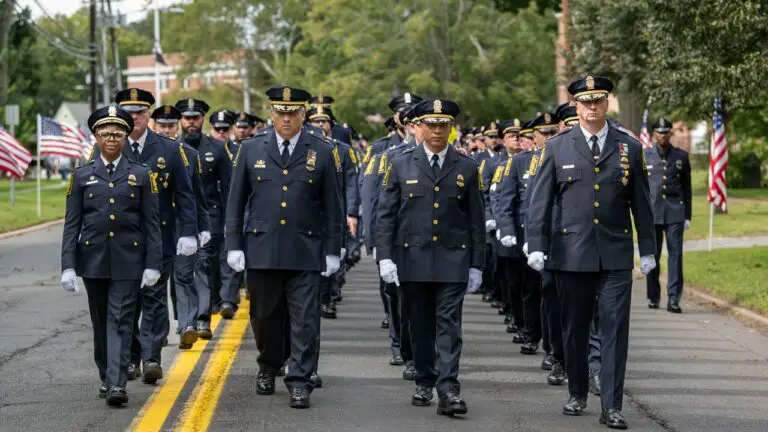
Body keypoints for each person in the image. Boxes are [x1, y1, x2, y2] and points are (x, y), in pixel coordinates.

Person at [526, 75, 656, 429]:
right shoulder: (557, 147)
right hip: (571, 253)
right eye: (585, 102)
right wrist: (536, 245)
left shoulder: (629, 147)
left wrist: (648, 249)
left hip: (614, 253)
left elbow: (641, 204)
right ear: (576, 106)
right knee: (575, 328)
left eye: (598, 100)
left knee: (614, 329)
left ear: (607, 102)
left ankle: (612, 405)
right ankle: (577, 391)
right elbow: (540, 202)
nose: (592, 107)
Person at [225, 86, 343, 409]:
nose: (287, 118)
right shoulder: (250, 150)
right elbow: (235, 203)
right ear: (272, 114)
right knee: (264, 316)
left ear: (303, 115)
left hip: (305, 249)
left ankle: (300, 379)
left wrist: (334, 248)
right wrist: (233, 245)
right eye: (281, 112)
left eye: (293, 113)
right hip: (262, 248)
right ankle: (268, 363)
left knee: (304, 318)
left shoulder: (321, 149)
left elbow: (333, 204)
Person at [376, 98, 485, 417]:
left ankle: (449, 388)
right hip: (412, 259)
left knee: (449, 326)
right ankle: (424, 379)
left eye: (443, 125)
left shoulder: (466, 166)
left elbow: (476, 220)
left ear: (451, 128)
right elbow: (386, 215)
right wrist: (385, 256)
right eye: (431, 124)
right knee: (419, 326)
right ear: (418, 127)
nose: (437, 131)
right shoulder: (399, 164)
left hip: (453, 260)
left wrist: (477, 264)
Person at [60, 105, 162, 406]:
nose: (111, 139)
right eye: (105, 134)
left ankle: (117, 384)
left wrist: (153, 264)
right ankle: (106, 374)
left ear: (126, 137)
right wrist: (68, 265)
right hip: (92, 260)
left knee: (120, 320)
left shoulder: (141, 175)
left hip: (129, 261)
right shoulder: (81, 176)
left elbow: (151, 224)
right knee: (101, 321)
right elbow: (72, 224)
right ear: (95, 137)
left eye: (117, 134)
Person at [103, 88, 198, 384]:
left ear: (148, 116)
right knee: (126, 300)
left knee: (155, 298)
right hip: (121, 240)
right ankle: (131, 358)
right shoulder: (109, 146)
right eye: (129, 113)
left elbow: (185, 195)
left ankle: (152, 356)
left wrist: (190, 233)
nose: (135, 117)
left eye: (141, 112)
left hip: (160, 236)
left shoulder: (169, 149)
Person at [176, 100, 233, 327]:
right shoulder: (171, 147)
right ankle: (183, 320)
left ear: (202, 119)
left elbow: (229, 188)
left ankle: (201, 318)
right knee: (180, 272)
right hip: (179, 218)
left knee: (204, 265)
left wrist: (232, 221)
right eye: (187, 118)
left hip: (210, 217)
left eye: (196, 117)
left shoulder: (217, 148)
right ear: (181, 120)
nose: (191, 122)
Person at [644, 117, 692, 313]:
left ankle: (673, 299)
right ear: (654, 134)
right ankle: (654, 296)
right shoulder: (645, 156)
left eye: (665, 132)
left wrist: (687, 215)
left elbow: (686, 188)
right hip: (653, 213)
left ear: (670, 134)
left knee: (675, 257)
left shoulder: (681, 156)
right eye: (659, 132)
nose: (662, 135)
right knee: (653, 256)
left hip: (675, 212)